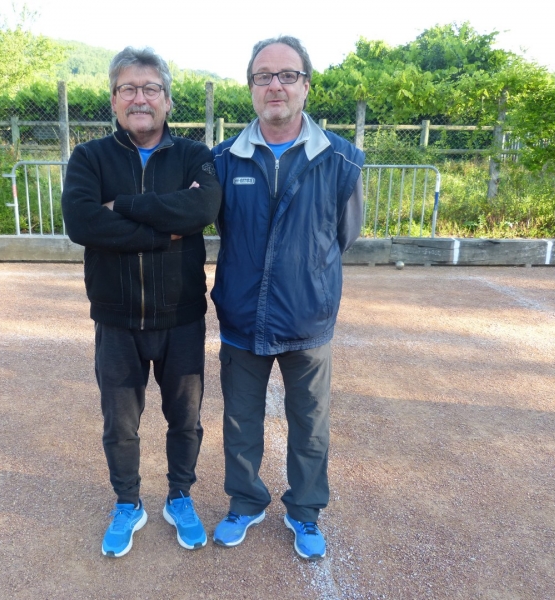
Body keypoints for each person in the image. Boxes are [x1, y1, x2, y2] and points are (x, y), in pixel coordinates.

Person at [61, 46, 221, 558]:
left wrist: (124, 208)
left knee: (186, 419)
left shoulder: (195, 155)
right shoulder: (90, 158)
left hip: (182, 319)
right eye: (128, 88)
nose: (140, 98)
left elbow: (202, 208)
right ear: (113, 100)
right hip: (117, 320)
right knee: (120, 424)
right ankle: (128, 503)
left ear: (168, 101)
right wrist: (165, 230)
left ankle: (179, 497)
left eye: (151, 88)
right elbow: (82, 223)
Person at [210, 36, 364, 561]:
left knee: (310, 428)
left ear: (306, 85)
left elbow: (342, 236)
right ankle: (245, 502)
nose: (275, 85)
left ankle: (305, 511)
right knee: (240, 424)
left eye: (287, 75)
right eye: (263, 76)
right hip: (241, 318)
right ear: (251, 87)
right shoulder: (223, 159)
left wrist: (306, 280)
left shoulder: (342, 160)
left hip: (307, 320)